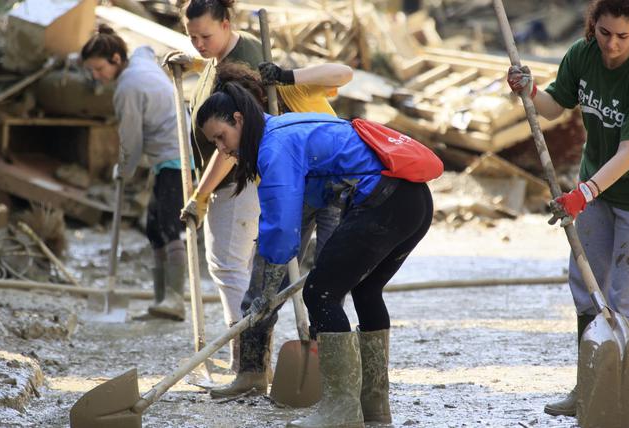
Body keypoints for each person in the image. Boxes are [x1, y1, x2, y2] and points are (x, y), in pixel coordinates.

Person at [195, 82, 434, 426]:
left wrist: (266, 292)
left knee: (320, 294)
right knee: (365, 291)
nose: (223, 149)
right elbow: (311, 199)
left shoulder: (273, 146)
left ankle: (339, 410)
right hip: (414, 201)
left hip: (384, 202)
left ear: (238, 119)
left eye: (221, 137)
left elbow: (280, 227)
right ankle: (374, 409)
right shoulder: (284, 129)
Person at [506, 0, 629, 417]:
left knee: (627, 298)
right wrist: (529, 90)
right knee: (587, 288)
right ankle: (588, 387)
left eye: (622, 36)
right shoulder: (582, 55)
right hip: (596, 188)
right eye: (604, 33)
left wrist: (584, 192)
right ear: (594, 26)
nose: (612, 45)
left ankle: (622, 395)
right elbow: (553, 106)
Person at [203, 61, 355, 398]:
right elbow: (278, 227)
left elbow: (344, 72)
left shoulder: (284, 95)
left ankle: (325, 380)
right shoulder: (250, 132)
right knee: (261, 281)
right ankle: (252, 371)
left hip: (338, 184)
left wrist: (289, 76)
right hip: (298, 189)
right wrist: (200, 195)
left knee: (327, 285)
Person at [164, 0, 265, 346]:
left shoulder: (244, 58)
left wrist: (200, 194)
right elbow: (221, 71)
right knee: (234, 267)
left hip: (237, 180)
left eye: (205, 36)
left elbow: (233, 146)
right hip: (231, 181)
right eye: (192, 37)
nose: (199, 44)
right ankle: (246, 354)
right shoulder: (222, 56)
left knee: (230, 267)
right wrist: (195, 64)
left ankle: (245, 356)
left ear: (225, 23)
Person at [81, 25, 188, 320]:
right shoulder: (140, 62)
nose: (96, 76)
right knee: (154, 228)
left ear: (116, 58)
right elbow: (146, 49)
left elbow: (131, 140)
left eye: (99, 68)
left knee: (169, 226)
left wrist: (124, 171)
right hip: (168, 156)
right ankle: (161, 301)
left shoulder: (128, 87)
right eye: (91, 70)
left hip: (176, 157)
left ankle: (175, 301)